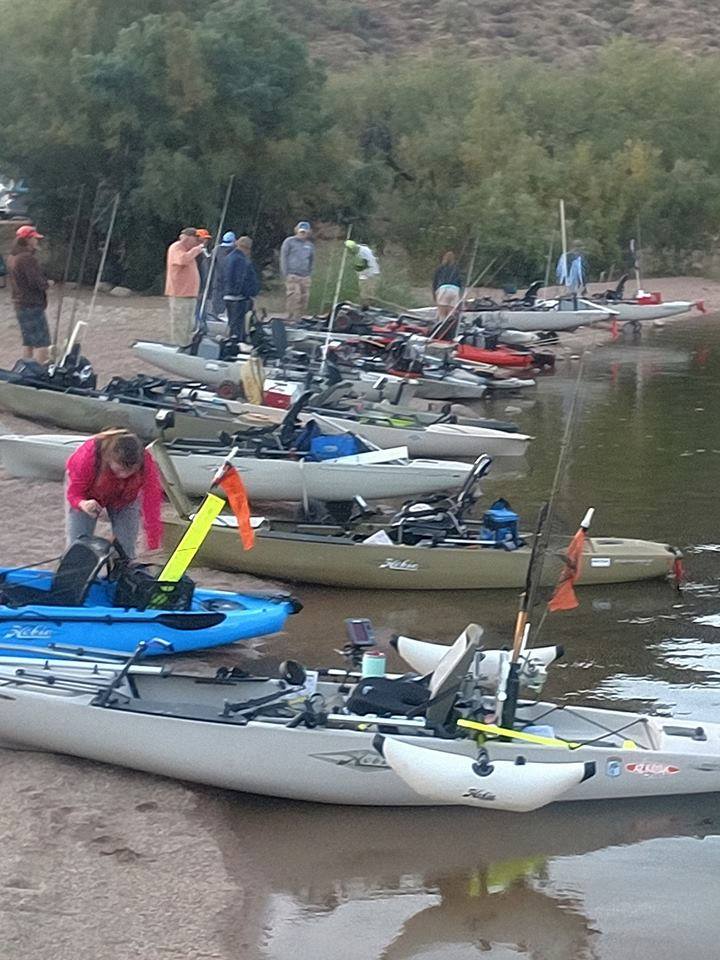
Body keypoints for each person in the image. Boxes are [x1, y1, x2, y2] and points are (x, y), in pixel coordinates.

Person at [65, 429, 163, 559]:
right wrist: (83, 504)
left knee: (126, 549)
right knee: (78, 546)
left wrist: (153, 544)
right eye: (120, 469)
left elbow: (152, 504)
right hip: (87, 496)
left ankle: (119, 575)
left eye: (131, 471)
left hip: (125, 499)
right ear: (109, 458)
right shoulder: (87, 458)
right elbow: (74, 493)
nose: (124, 475)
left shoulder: (146, 464)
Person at [7, 224, 51, 363]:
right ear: (28, 240)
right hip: (32, 305)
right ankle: (40, 373)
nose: (37, 241)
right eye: (34, 238)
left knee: (29, 342)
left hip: (20, 304)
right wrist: (46, 284)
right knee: (42, 343)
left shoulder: (12, 257)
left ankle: (26, 371)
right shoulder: (27, 258)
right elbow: (35, 281)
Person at [165, 227, 205, 346]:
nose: (197, 242)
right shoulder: (176, 247)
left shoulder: (189, 251)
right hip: (179, 295)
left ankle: (187, 346)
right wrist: (197, 250)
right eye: (196, 239)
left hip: (190, 295)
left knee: (189, 325)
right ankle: (178, 346)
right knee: (180, 324)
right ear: (188, 238)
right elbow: (182, 260)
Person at [223, 236, 260, 341]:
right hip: (238, 298)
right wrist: (249, 293)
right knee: (239, 326)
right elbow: (242, 279)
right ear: (247, 248)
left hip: (227, 295)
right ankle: (237, 345)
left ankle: (232, 342)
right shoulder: (241, 260)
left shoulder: (228, 258)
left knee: (232, 323)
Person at [280, 221, 314, 322]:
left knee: (304, 298)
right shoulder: (289, 241)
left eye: (304, 232)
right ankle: (290, 317)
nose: (302, 234)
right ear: (296, 231)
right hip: (292, 274)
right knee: (294, 296)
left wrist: (310, 273)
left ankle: (299, 318)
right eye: (301, 232)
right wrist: (285, 272)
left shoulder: (310, 245)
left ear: (308, 233)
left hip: (305, 276)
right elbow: (284, 257)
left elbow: (312, 260)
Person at [345, 239, 380, 305]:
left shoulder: (363, 253)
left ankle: (369, 306)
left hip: (371, 274)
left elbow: (363, 266)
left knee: (368, 294)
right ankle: (364, 304)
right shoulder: (361, 249)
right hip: (365, 274)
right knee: (364, 293)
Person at [432, 251, 463, 322]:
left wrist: (434, 296)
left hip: (444, 289)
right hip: (455, 290)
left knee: (442, 315)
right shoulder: (456, 269)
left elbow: (435, 283)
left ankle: (441, 329)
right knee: (450, 315)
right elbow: (460, 283)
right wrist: (460, 296)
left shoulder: (440, 268)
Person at [212, 231, 237, 319]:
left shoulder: (216, 250)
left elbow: (211, 263)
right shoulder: (235, 251)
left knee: (218, 295)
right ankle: (221, 313)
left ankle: (217, 313)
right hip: (229, 278)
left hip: (218, 277)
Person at [194, 228, 212, 328]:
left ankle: (202, 326)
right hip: (198, 287)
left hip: (205, 285)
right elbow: (197, 272)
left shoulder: (205, 252)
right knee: (197, 309)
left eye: (207, 239)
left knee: (203, 308)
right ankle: (198, 327)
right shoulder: (196, 253)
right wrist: (199, 289)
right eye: (204, 239)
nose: (206, 241)